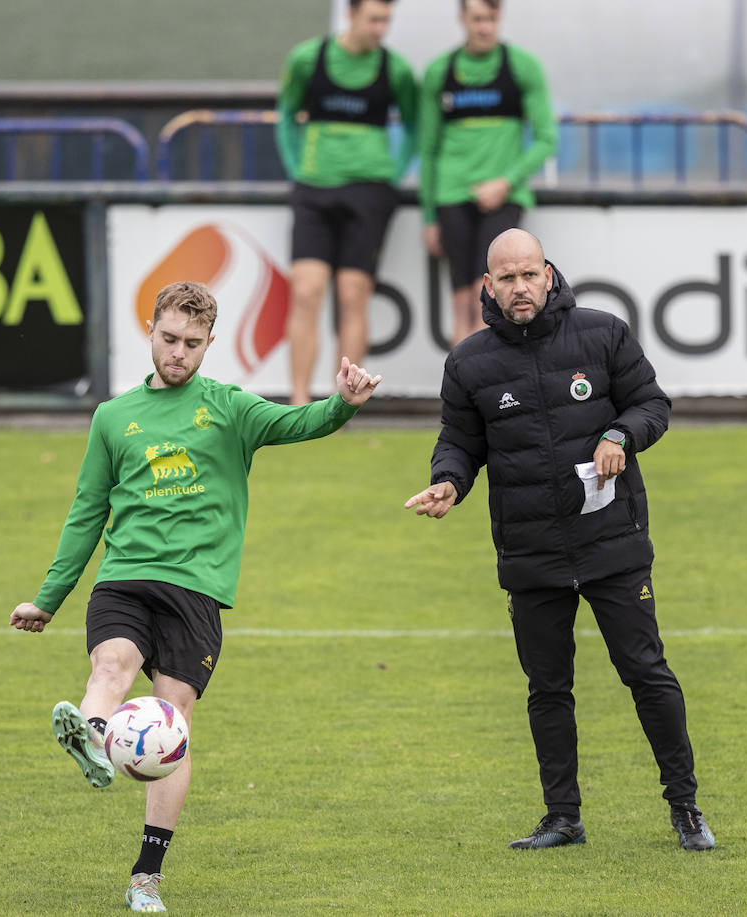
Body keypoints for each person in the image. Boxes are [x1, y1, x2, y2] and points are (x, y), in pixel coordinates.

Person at [9, 281, 381, 912]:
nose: (177, 352)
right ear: (149, 332)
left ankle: (145, 876)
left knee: (171, 725)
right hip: (125, 574)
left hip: (196, 591)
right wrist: (48, 599)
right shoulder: (112, 417)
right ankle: (94, 737)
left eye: (191, 343)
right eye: (168, 339)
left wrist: (341, 404)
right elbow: (86, 513)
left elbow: (298, 422)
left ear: (209, 343)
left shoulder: (229, 408)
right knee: (111, 664)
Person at [404, 229, 715, 852]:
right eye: (506, 279)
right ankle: (562, 817)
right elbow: (460, 442)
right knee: (548, 688)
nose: (520, 289)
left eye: (529, 275)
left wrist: (620, 437)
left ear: (548, 274)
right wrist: (447, 481)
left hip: (611, 542)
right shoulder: (469, 362)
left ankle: (685, 807)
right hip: (531, 552)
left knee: (646, 673)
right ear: (487, 286)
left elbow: (652, 404)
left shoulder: (603, 334)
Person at [275, 0, 418, 404]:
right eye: (373, 19)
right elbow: (285, 115)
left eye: (386, 20)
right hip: (314, 190)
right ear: (350, 15)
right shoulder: (307, 59)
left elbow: (413, 125)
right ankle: (300, 402)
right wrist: (297, 167)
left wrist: (393, 173)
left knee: (353, 296)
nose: (380, 28)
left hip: (370, 192)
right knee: (305, 293)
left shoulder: (397, 70)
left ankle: (343, 404)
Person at [418, 0, 557, 348]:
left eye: (492, 19)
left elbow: (546, 139)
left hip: (502, 197)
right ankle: (462, 389)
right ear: (462, 19)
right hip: (452, 195)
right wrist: (430, 216)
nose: (484, 27)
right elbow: (428, 150)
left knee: (492, 300)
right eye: (477, 19)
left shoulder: (522, 67)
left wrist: (505, 182)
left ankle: (491, 393)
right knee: (462, 301)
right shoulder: (440, 72)